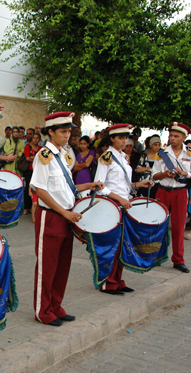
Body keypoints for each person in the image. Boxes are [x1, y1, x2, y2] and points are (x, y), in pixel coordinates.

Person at [30, 112, 102, 326]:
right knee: (47, 265)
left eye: (69, 131)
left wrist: (88, 186)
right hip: (51, 217)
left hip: (66, 216)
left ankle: (56, 306)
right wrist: (64, 212)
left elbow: (67, 188)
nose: (66, 135)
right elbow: (40, 189)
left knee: (62, 265)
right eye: (62, 131)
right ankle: (43, 311)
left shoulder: (64, 155)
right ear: (50, 131)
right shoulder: (44, 155)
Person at [94, 124, 153, 295]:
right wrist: (120, 199)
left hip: (124, 203)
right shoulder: (107, 157)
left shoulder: (123, 157)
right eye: (120, 138)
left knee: (121, 245)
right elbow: (99, 186)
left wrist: (138, 184)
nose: (124, 141)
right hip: (113, 205)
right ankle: (107, 282)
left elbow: (123, 185)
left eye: (126, 138)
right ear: (112, 138)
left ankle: (117, 280)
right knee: (111, 245)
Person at [152, 122, 191, 273]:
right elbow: (154, 175)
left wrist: (185, 174)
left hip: (180, 192)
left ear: (184, 137)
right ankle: (155, 256)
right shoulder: (162, 153)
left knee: (179, 227)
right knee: (158, 224)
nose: (172, 138)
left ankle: (178, 260)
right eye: (171, 135)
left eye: (176, 136)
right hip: (163, 191)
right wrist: (165, 174)